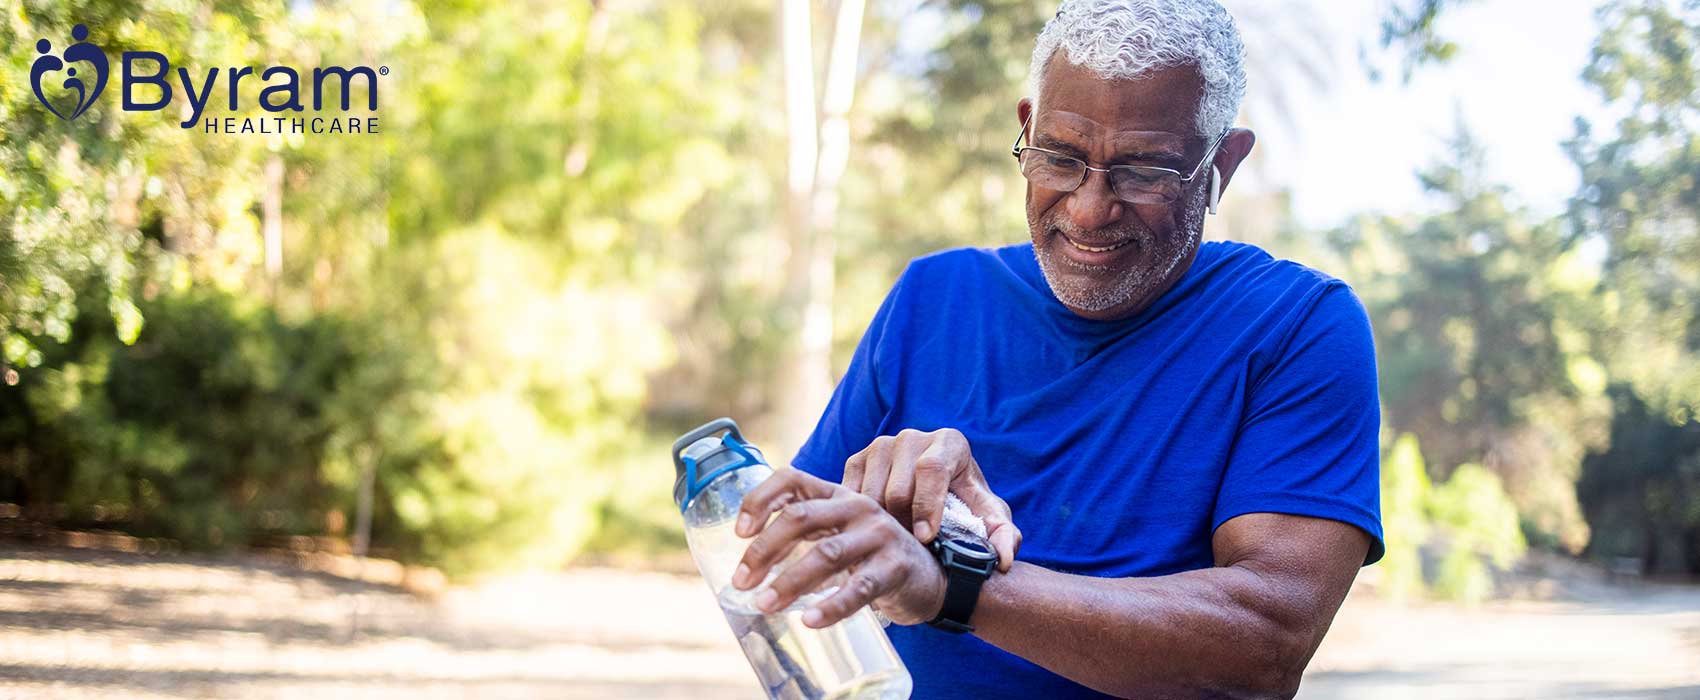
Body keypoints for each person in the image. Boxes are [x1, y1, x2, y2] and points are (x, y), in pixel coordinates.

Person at [729, 1, 1383, 697]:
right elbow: (794, 573)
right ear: (1025, 129)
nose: (1089, 209)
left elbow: (1266, 644)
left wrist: (955, 583)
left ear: (1224, 160)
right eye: (1061, 158)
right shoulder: (934, 296)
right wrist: (892, 517)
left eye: (1146, 171)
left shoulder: (1299, 324)